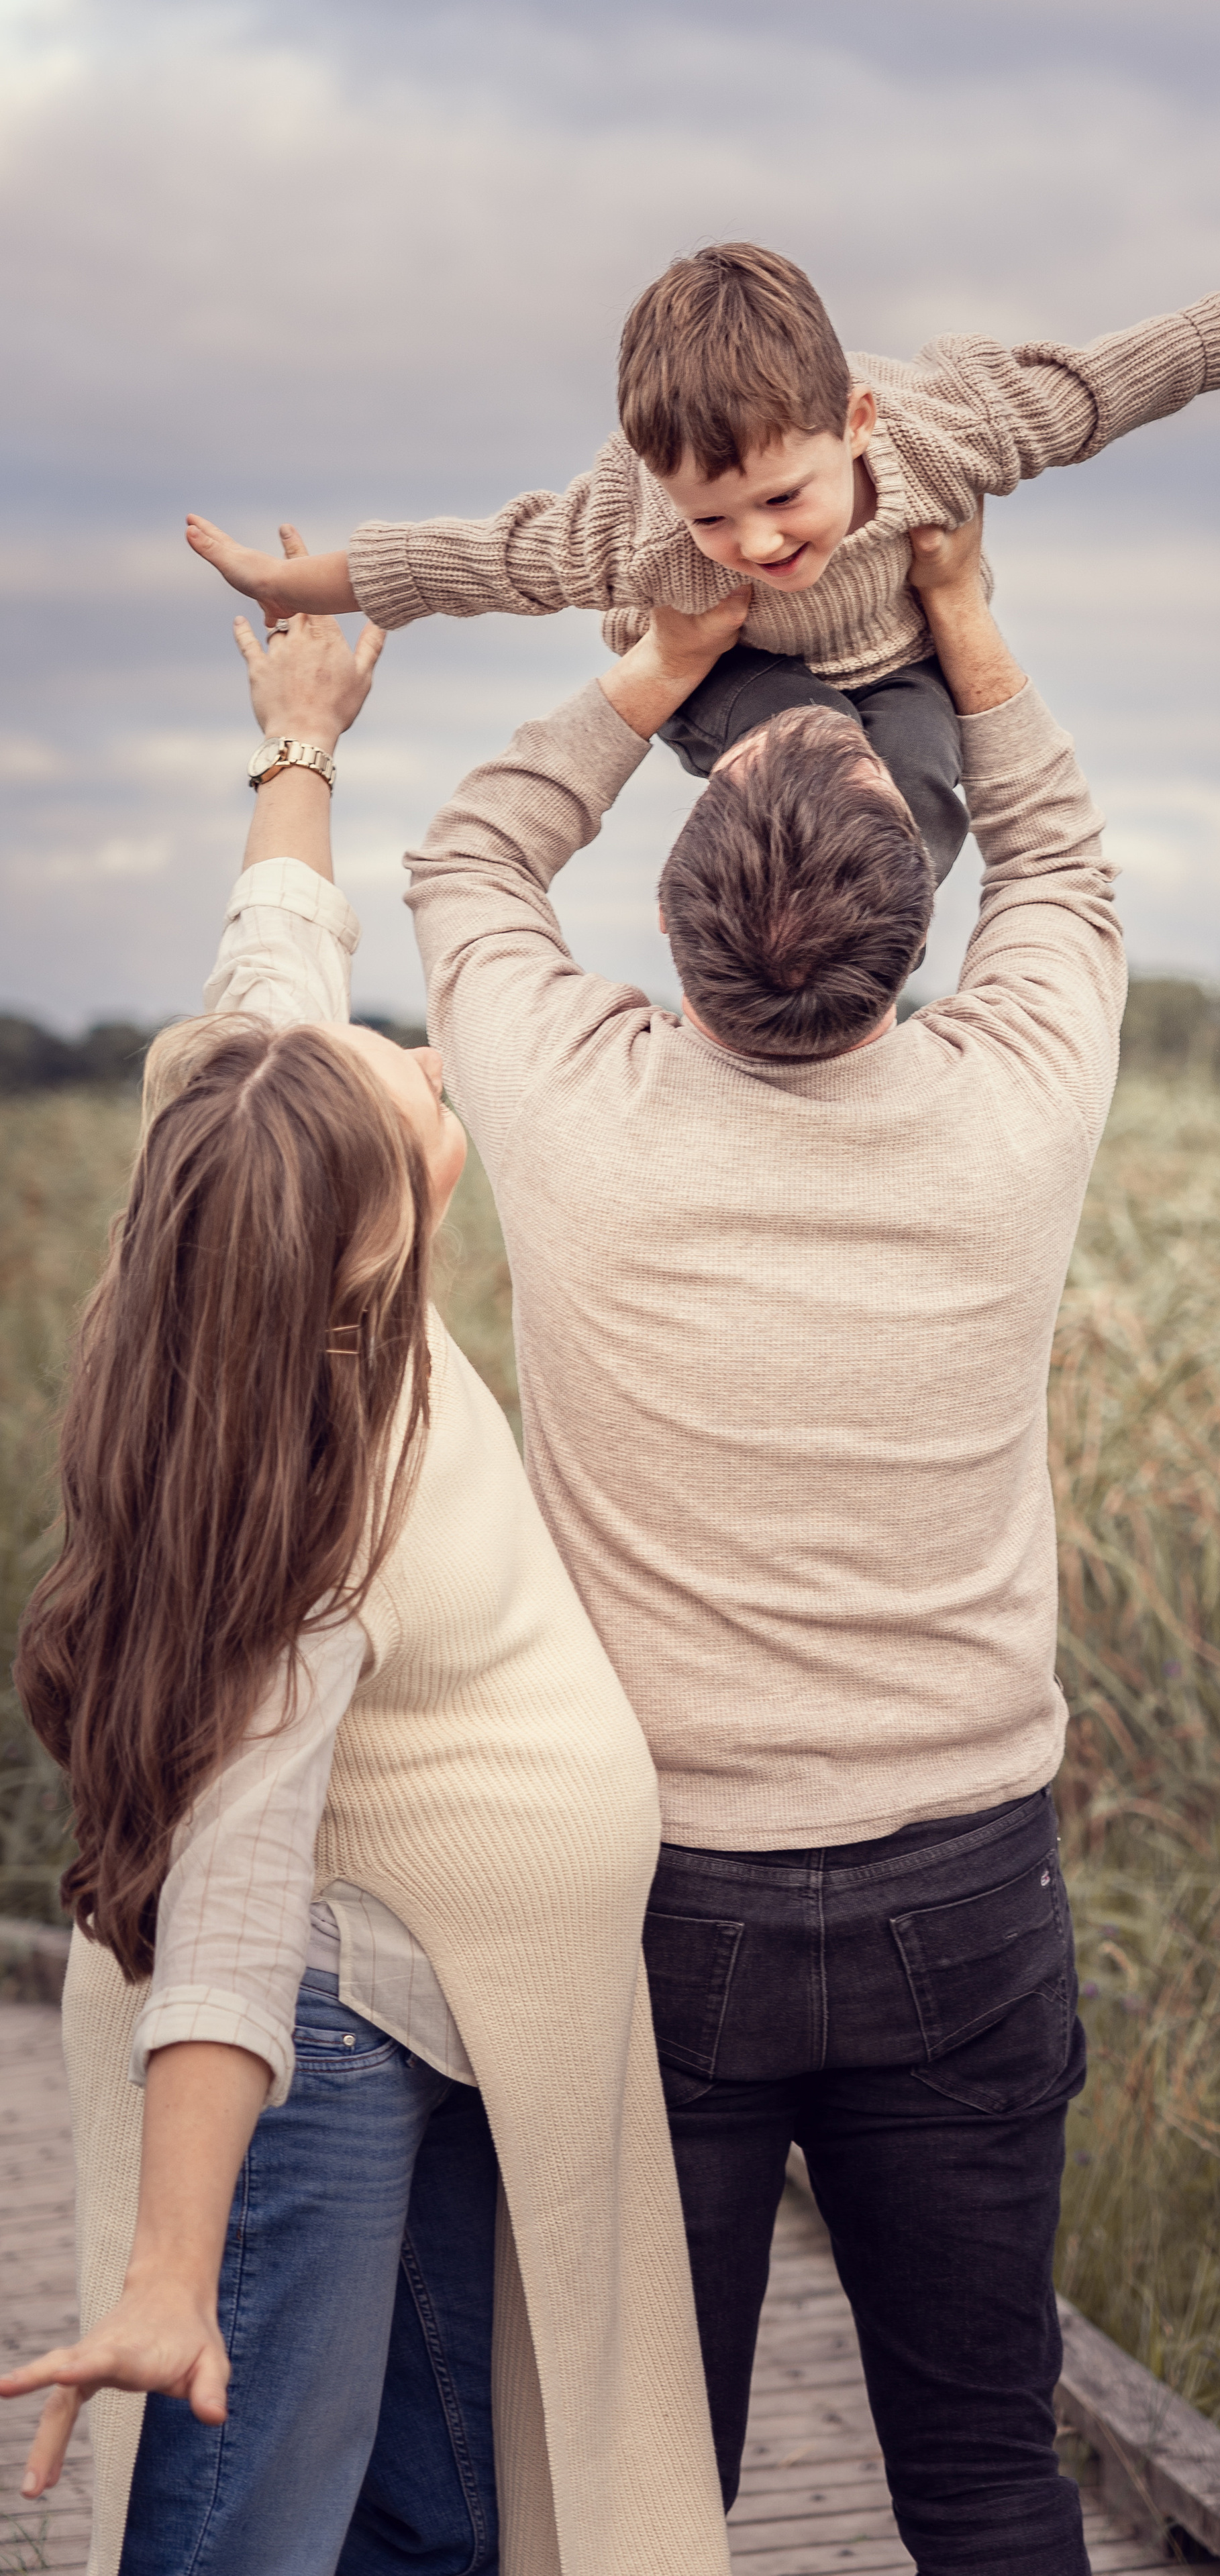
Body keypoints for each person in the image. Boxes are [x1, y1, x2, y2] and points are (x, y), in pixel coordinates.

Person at [172, 500, 1131, 2571]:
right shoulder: (1016, 1100)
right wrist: (961, 622)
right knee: (985, 2474)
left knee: (633, 2489)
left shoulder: (572, 1098)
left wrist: (660, 673)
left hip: (662, 1905)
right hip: (963, 1883)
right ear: (908, 935)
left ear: (675, 940)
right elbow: (1057, 857)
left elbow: (468, 859)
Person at [0, 594, 729, 2576]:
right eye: (409, 1100)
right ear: (371, 1249)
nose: (404, 1064)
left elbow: (271, 974)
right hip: (328, 2029)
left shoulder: (230, 1177)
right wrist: (168, 2272)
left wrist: (300, 739)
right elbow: (232, 1889)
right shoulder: (308, 1499)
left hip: (442, 2013)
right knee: (252, 2525)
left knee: (431, 2518)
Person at [185, 198, 1220, 878]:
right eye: (712, 516)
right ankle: (758, 928)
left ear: (857, 424)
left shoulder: (946, 430)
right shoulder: (639, 525)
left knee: (921, 776)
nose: (756, 540)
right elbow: (484, 557)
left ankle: (865, 966)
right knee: (811, 739)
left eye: (785, 498)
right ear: (657, 481)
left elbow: (1095, 389)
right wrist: (292, 579)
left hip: (896, 662)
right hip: (724, 674)